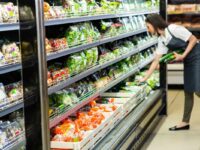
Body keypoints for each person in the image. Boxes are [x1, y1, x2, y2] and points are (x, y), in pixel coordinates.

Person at [140, 14, 200, 131]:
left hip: (197, 56)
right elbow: (156, 60)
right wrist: (145, 78)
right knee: (188, 90)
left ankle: (185, 121)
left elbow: (193, 39)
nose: (148, 30)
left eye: (148, 27)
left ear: (154, 24)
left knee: (197, 89)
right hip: (188, 60)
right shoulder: (161, 40)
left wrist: (182, 55)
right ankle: (185, 122)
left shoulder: (173, 29)